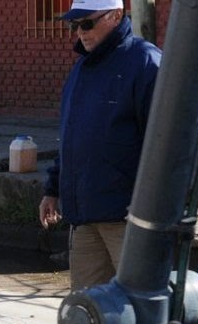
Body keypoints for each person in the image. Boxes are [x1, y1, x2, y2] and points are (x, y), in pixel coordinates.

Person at [39, 0, 161, 291]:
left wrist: (149, 205)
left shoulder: (145, 63)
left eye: (87, 23)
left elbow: (163, 146)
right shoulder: (83, 69)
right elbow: (72, 137)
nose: (80, 32)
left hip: (128, 219)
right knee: (88, 313)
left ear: (116, 15)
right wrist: (53, 188)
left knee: (141, 306)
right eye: (75, 25)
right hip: (85, 215)